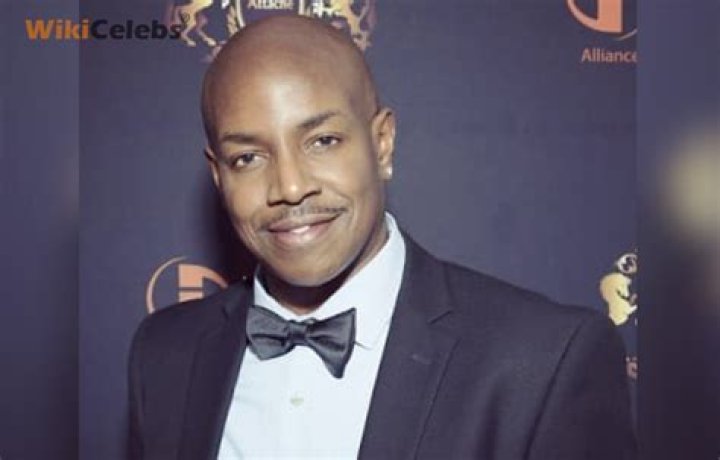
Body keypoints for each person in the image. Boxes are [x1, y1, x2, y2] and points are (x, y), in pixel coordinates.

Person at [128, 15, 636, 460]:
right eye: (248, 158)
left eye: (323, 141)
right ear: (219, 177)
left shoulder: (543, 362)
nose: (290, 187)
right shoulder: (164, 352)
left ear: (382, 144)